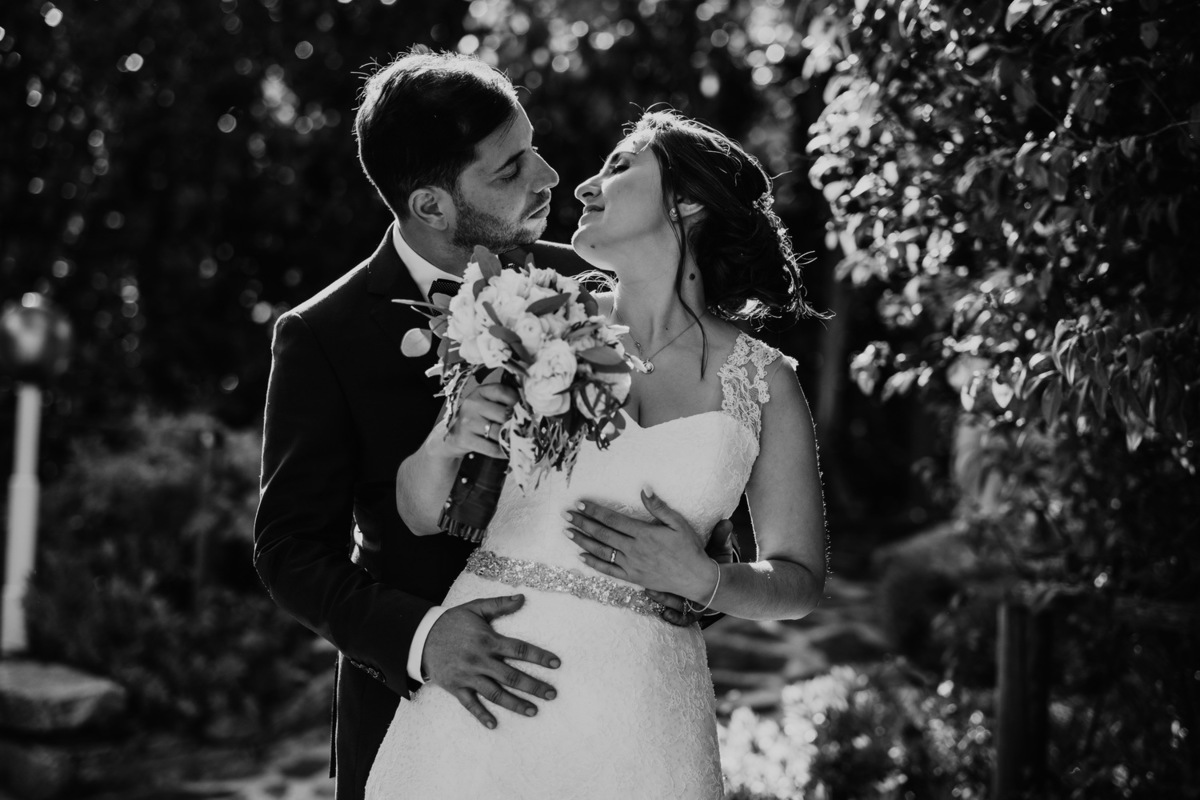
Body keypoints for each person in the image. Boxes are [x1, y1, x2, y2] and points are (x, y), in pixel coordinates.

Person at [253, 52, 730, 800]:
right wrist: (421, 638)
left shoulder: (590, 286)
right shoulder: (323, 335)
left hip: (602, 711)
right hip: (417, 720)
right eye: (510, 170)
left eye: (533, 147)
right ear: (431, 206)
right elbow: (288, 551)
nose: (549, 176)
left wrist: (697, 576)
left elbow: (687, 458)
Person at [367, 109, 828, 798]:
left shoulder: (767, 382)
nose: (582, 187)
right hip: (488, 694)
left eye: (619, 167)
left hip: (646, 720)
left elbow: (800, 580)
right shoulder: (528, 318)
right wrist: (449, 437)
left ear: (686, 201)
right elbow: (417, 512)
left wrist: (706, 581)